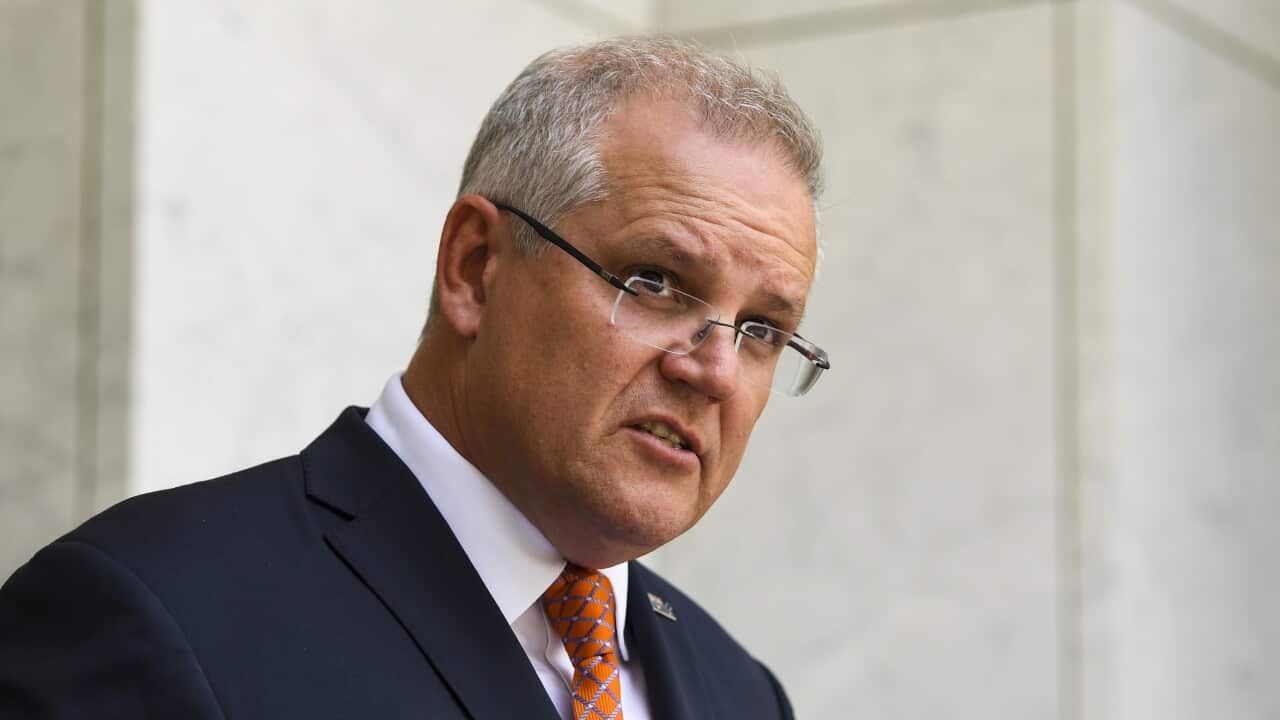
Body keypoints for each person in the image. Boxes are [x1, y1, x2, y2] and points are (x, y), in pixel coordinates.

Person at [0, 37, 830, 719]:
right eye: (653, 282)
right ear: (474, 269)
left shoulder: (742, 696)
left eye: (764, 332)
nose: (716, 369)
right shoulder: (157, 613)